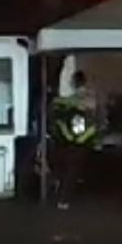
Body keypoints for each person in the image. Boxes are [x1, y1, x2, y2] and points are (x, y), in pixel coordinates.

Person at [49, 71, 98, 208]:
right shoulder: (84, 98)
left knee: (71, 168)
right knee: (72, 168)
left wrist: (60, 101)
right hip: (81, 138)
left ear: (74, 82)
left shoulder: (84, 98)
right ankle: (64, 196)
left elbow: (81, 103)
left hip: (77, 138)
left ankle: (63, 198)